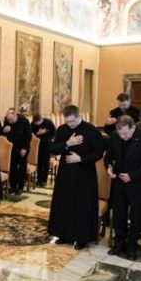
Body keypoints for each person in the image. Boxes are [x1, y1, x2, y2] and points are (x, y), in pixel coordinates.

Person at [48, 105, 104, 249]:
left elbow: (98, 153)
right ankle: (63, 234)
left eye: (72, 121)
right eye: (67, 121)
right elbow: (53, 149)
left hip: (85, 173)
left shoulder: (91, 130)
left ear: (78, 116)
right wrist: (67, 143)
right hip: (66, 173)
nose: (70, 124)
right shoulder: (62, 129)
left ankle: (81, 238)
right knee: (64, 203)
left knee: (82, 206)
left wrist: (80, 158)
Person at [104, 116, 141, 260]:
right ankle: (119, 244)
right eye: (120, 134)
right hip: (119, 184)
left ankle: (132, 247)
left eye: (125, 134)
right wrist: (108, 167)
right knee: (119, 216)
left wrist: (132, 176)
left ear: (133, 127)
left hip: (139, 184)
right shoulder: (114, 136)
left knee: (136, 218)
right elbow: (108, 156)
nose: (122, 137)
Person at [3, 108, 31, 195]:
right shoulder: (7, 120)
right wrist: (4, 130)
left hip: (22, 147)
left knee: (22, 167)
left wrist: (24, 148)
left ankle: (20, 187)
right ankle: (13, 186)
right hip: (12, 147)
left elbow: (28, 136)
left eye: (11, 120)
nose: (10, 122)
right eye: (8, 120)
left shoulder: (24, 121)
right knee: (12, 167)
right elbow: (3, 132)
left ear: (15, 116)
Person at [31, 114, 56, 187]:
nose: (37, 124)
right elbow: (31, 134)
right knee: (39, 163)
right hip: (38, 145)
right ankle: (39, 180)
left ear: (41, 119)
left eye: (38, 123)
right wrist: (38, 133)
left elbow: (54, 132)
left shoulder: (48, 122)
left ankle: (44, 180)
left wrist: (50, 139)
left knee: (45, 163)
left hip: (47, 145)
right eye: (35, 123)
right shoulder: (33, 124)